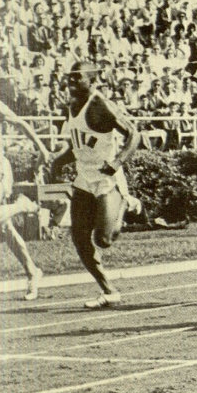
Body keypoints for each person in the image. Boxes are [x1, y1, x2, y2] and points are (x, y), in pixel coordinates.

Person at [48, 61, 142, 308]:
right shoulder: (71, 105)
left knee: (104, 240)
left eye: (77, 78)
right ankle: (109, 291)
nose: (71, 81)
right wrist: (58, 162)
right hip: (84, 179)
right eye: (70, 77)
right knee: (79, 239)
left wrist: (118, 162)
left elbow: (134, 134)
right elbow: (79, 145)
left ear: (91, 80)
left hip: (106, 178)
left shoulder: (100, 105)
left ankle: (127, 202)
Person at [0, 85, 49, 300]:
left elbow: (22, 123)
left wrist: (42, 150)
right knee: (5, 229)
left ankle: (22, 205)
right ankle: (32, 271)